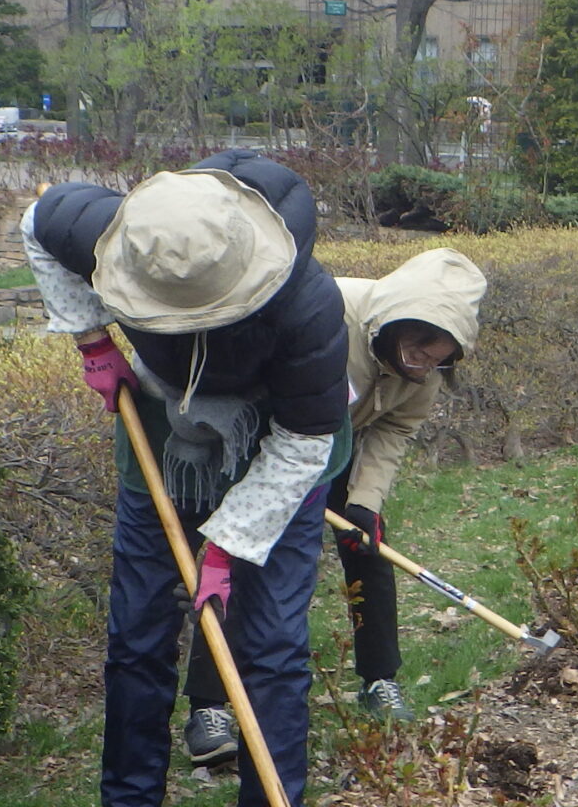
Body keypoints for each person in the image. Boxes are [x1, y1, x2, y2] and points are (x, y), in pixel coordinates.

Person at [22, 151, 349, 807]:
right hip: (164, 432)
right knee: (137, 638)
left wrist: (230, 546)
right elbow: (36, 224)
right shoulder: (114, 229)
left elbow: (307, 440)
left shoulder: (308, 305)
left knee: (268, 652)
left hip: (279, 445)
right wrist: (92, 337)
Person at [182, 247, 485, 745]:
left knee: (368, 548)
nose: (424, 363)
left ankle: (379, 679)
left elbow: (394, 430)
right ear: (396, 322)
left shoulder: (425, 374)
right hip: (269, 448)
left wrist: (364, 501)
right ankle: (210, 708)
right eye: (418, 348)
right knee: (238, 562)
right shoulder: (331, 311)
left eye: (438, 358)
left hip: (336, 454)